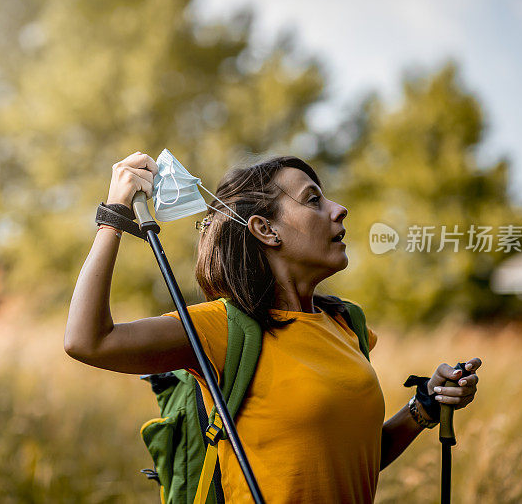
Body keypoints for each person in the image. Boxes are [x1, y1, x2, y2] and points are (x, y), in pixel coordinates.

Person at [64, 151, 482, 503]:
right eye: (313, 199)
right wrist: (113, 216)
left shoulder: (347, 325)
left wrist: (424, 406)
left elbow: (347, 459)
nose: (339, 210)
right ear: (265, 230)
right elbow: (88, 341)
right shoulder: (221, 329)